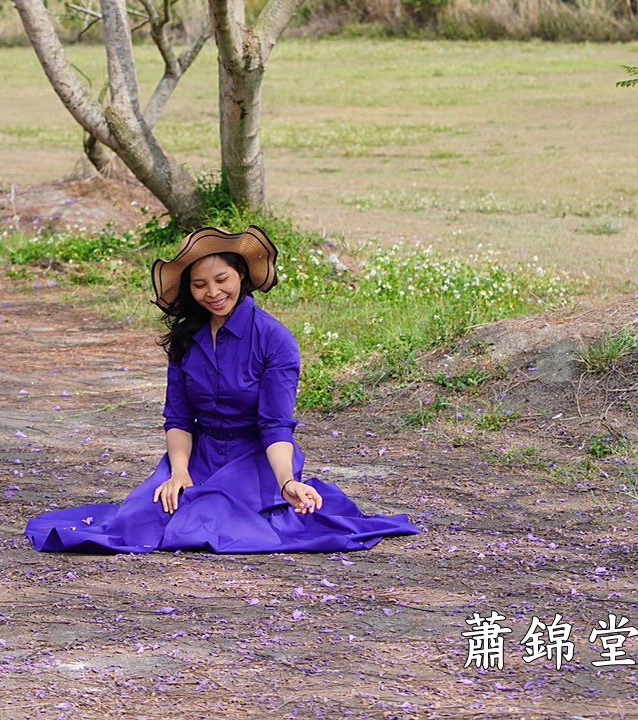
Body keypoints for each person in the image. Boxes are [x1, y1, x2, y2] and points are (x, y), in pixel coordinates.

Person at [25, 224, 419, 554]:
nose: (212, 292)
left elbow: (276, 426)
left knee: (207, 518)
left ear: (241, 277)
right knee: (140, 519)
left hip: (257, 458)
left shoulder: (275, 340)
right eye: (199, 285)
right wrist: (178, 472)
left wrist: (287, 482)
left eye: (221, 280)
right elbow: (178, 417)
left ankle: (284, 496)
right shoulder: (186, 338)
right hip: (200, 453)